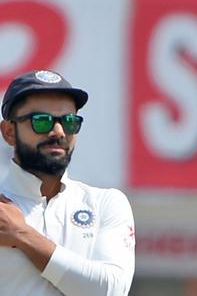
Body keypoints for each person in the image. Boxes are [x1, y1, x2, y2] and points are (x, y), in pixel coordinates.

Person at [0, 70, 135, 296]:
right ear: (9, 132)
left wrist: (22, 235)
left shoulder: (105, 203)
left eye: (69, 122)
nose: (59, 131)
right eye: (41, 121)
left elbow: (111, 290)